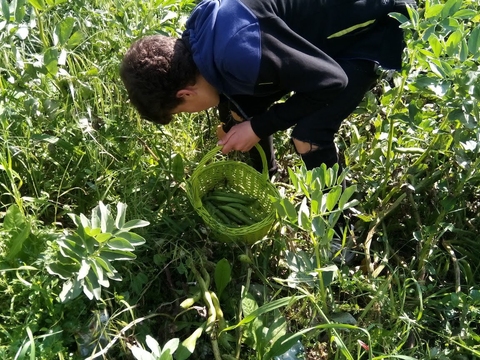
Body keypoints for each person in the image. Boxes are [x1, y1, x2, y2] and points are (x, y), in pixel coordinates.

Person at [120, 0, 416, 177]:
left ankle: (338, 233)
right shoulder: (199, 31)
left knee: (308, 136)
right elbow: (236, 98)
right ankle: (267, 175)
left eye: (182, 111)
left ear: (184, 94)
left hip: (379, 25)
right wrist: (237, 122)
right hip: (320, 37)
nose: (189, 112)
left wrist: (259, 127)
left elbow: (331, 82)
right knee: (239, 108)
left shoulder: (242, 55)